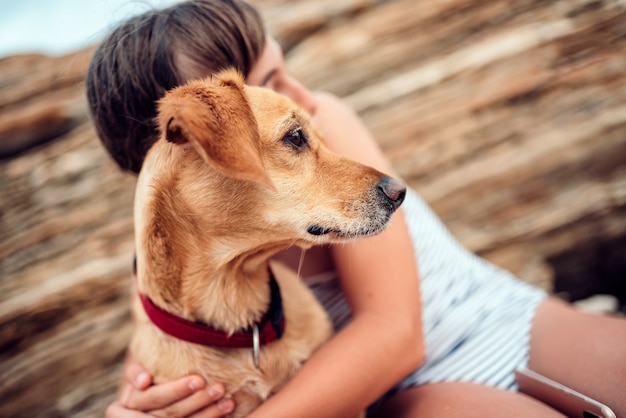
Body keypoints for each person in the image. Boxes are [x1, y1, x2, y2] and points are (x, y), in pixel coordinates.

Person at [86, 1, 626, 417]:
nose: (304, 96)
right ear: (198, 141)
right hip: (400, 395)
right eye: (270, 87)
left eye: (285, 67)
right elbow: (159, 354)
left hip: (496, 319)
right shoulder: (173, 256)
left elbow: (395, 332)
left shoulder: (328, 123)